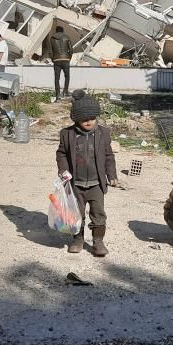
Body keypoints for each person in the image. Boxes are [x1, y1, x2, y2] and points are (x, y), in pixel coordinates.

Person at [56, 90, 116, 256]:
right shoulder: (67, 134)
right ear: (76, 119)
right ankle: (77, 240)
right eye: (84, 120)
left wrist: (112, 175)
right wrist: (63, 172)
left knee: (98, 214)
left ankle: (98, 242)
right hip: (76, 183)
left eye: (92, 118)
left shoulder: (103, 133)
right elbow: (61, 154)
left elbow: (109, 156)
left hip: (96, 184)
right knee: (76, 214)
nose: (89, 122)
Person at [43, 25, 73, 99]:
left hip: (56, 60)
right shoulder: (67, 37)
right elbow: (71, 50)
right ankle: (65, 91)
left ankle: (58, 94)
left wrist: (53, 59)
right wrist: (69, 58)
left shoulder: (52, 38)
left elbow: (50, 51)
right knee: (67, 76)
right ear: (62, 31)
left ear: (56, 31)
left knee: (57, 78)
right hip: (66, 59)